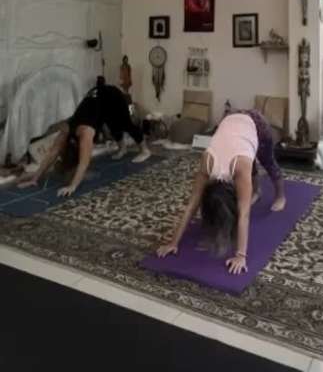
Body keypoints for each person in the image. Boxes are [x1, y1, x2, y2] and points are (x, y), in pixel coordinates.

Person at [157, 110, 285, 274]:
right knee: (247, 163)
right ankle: (254, 191)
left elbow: (244, 214)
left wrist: (240, 255)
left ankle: (281, 195)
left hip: (255, 123)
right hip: (230, 119)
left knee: (268, 162)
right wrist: (172, 243)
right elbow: (192, 204)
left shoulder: (239, 166)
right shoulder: (207, 162)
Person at [18, 77, 151, 197]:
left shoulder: (86, 133)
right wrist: (34, 179)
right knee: (112, 123)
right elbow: (53, 153)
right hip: (97, 99)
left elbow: (84, 163)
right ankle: (122, 149)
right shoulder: (66, 130)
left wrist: (72, 186)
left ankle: (145, 150)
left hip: (113, 95)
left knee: (125, 123)